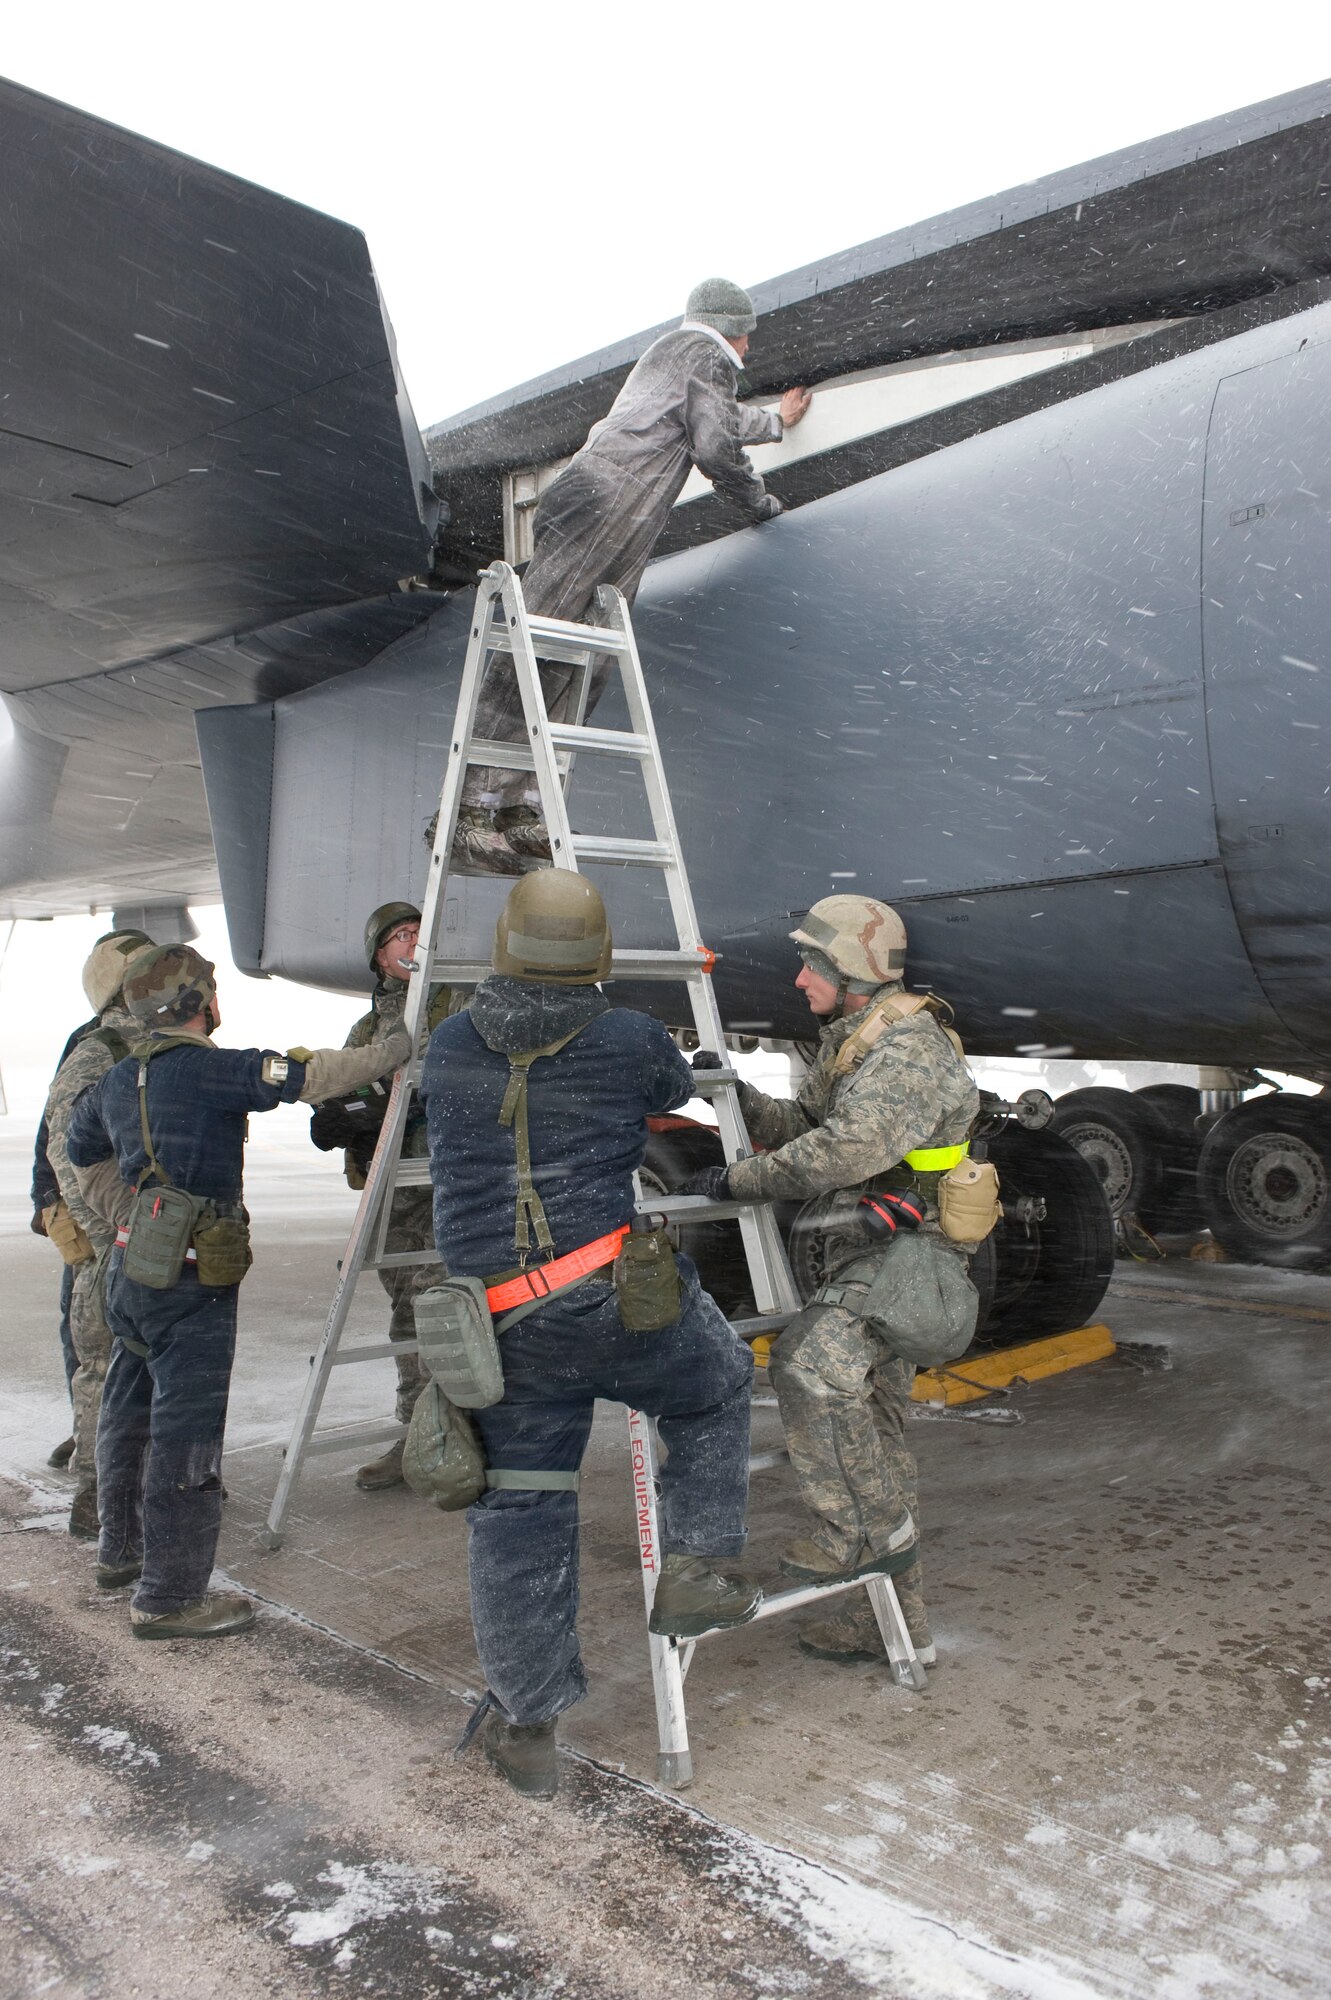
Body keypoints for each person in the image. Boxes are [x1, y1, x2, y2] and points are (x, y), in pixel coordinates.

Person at [418, 870, 759, 1799]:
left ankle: (528, 1725)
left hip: (500, 1328)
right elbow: (671, 1088)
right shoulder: (627, 1036)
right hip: (614, 1302)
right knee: (717, 1385)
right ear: (597, 955)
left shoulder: (447, 1041)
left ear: (505, 948)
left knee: (520, 1509)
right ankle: (695, 1563)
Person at [65, 944, 410, 1640]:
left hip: (134, 1271)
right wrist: (395, 1049)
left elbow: (80, 1150)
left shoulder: (117, 1078)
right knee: (187, 1436)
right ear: (202, 1004)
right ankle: (169, 1598)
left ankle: (120, 1552)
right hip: (191, 1278)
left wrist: (131, 1212)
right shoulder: (214, 1070)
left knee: (127, 1415)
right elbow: (314, 1075)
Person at [682, 896, 980, 1669]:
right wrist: (734, 1096)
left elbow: (844, 1153)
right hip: (860, 1253)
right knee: (874, 1435)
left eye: (810, 964)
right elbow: (802, 1126)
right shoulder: (854, 1042)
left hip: (905, 1259)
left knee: (809, 1365)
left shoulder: (909, 1049)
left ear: (850, 968)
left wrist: (737, 1181)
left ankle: (854, 1537)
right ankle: (886, 1623)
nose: (797, 978)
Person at [455, 278, 812, 875]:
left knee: (580, 661)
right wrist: (761, 505)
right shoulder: (705, 353)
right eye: (747, 340)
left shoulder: (676, 357)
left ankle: (521, 808)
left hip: (617, 509)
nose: (747, 352)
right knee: (541, 650)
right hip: (607, 503)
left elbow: (712, 420)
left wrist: (776, 421)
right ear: (737, 330)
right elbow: (716, 447)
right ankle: (472, 811)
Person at [308, 902, 465, 1491]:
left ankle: (449, 1440)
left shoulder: (457, 1001)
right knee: (406, 1313)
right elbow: (349, 1083)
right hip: (391, 1194)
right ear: (378, 955)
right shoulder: (369, 1027)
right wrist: (342, 1116)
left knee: (442, 1308)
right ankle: (417, 1435)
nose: (412, 942)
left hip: (445, 1182)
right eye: (399, 936)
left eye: (419, 931)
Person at [40, 929, 153, 1536]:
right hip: (115, 1241)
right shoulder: (98, 1049)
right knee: (103, 1366)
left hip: (158, 1238)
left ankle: (158, 1479)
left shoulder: (166, 1040)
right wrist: (106, 1236)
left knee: (151, 1368)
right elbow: (66, 1151)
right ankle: (98, 1492)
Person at [32, 1010, 102, 1471]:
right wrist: (46, 1199)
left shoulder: (163, 1037)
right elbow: (53, 1126)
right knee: (78, 1330)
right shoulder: (92, 1041)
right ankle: (86, 1432)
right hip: (84, 1213)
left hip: (124, 1215)